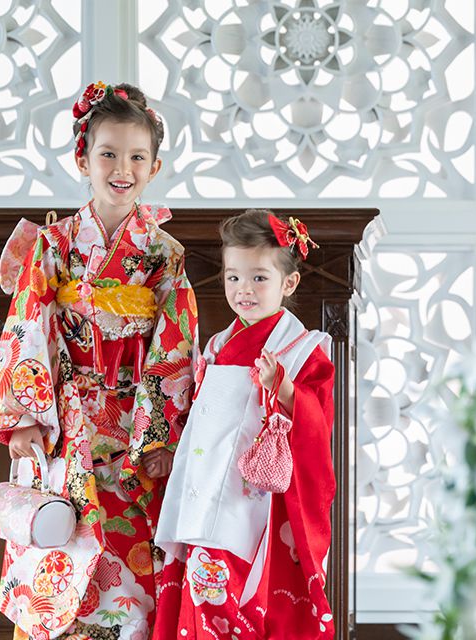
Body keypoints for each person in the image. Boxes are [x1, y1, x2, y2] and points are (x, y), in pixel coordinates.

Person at [0, 81, 198, 640]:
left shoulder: (164, 255)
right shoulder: (55, 244)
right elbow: (28, 325)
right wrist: (24, 415)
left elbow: (175, 346)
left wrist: (158, 439)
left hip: (134, 426)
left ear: (155, 166)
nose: (123, 168)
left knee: (129, 562)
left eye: (137, 157)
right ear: (83, 159)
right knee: (59, 543)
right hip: (62, 423)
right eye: (109, 154)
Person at [153, 209, 336, 639]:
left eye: (258, 278)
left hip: (254, 502)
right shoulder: (217, 344)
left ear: (287, 283)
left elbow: (317, 423)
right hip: (202, 489)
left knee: (237, 594)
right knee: (199, 587)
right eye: (233, 277)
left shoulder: (302, 348)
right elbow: (199, 420)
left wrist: (285, 388)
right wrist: (173, 455)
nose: (243, 290)